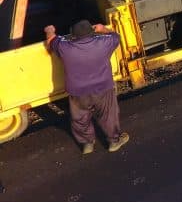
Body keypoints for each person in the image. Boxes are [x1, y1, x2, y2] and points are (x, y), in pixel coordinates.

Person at [45, 20, 129, 155]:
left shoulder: (65, 47)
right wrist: (103, 29)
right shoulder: (104, 43)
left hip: (78, 92)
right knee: (108, 115)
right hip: (103, 88)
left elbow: (51, 40)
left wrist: (49, 29)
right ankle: (114, 141)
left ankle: (87, 144)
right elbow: (116, 37)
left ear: (73, 36)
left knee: (80, 119)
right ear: (92, 32)